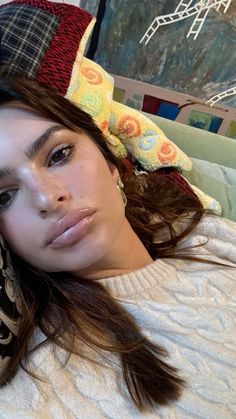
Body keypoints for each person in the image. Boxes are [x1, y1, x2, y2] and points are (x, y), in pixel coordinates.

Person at [0, 75, 235, 419]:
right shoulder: (41, 388)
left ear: (110, 163)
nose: (48, 197)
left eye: (59, 155)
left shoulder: (203, 232)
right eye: (3, 196)